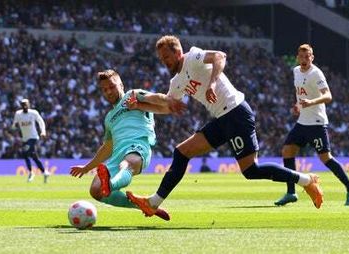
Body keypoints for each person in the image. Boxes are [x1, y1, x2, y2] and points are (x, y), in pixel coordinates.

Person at [125, 35, 324, 217]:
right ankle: (153, 203)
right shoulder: (176, 82)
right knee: (182, 152)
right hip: (222, 118)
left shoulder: (193, 56)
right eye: (161, 59)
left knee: (251, 170)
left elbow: (220, 56)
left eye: (166, 57)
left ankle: (307, 181)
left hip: (236, 112)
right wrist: (139, 105)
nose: (164, 62)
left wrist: (212, 83)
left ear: (178, 52)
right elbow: (168, 105)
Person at [69, 69, 178, 221]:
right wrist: (87, 167)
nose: (108, 91)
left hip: (138, 146)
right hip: (116, 156)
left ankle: (111, 184)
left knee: (127, 164)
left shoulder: (132, 96)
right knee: (95, 190)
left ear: (121, 85)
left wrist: (168, 100)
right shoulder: (109, 118)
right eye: (104, 89)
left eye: (112, 86)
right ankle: (145, 205)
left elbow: (157, 99)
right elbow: (107, 147)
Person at [274, 44, 349, 206]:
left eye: (308, 57)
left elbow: (328, 96)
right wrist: (298, 106)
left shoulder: (316, 73)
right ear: (297, 58)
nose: (305, 59)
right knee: (287, 151)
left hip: (316, 123)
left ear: (312, 58)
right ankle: (291, 192)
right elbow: (301, 94)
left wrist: (311, 102)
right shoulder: (296, 71)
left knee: (325, 158)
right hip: (302, 122)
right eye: (302, 56)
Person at [12, 98, 50, 183]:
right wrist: (14, 127)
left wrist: (43, 131)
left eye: (26, 104)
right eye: (22, 104)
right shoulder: (18, 114)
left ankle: (31, 173)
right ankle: (45, 172)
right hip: (25, 138)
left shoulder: (33, 113)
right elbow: (14, 125)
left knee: (25, 152)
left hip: (33, 137)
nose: (24, 105)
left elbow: (41, 122)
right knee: (33, 157)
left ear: (29, 104)